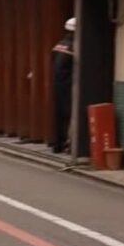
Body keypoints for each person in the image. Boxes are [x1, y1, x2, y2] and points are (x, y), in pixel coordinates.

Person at [51, 16, 75, 153]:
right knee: (69, 115)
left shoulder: (59, 45)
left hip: (57, 84)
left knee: (58, 115)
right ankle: (68, 144)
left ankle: (57, 144)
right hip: (68, 85)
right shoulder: (73, 47)